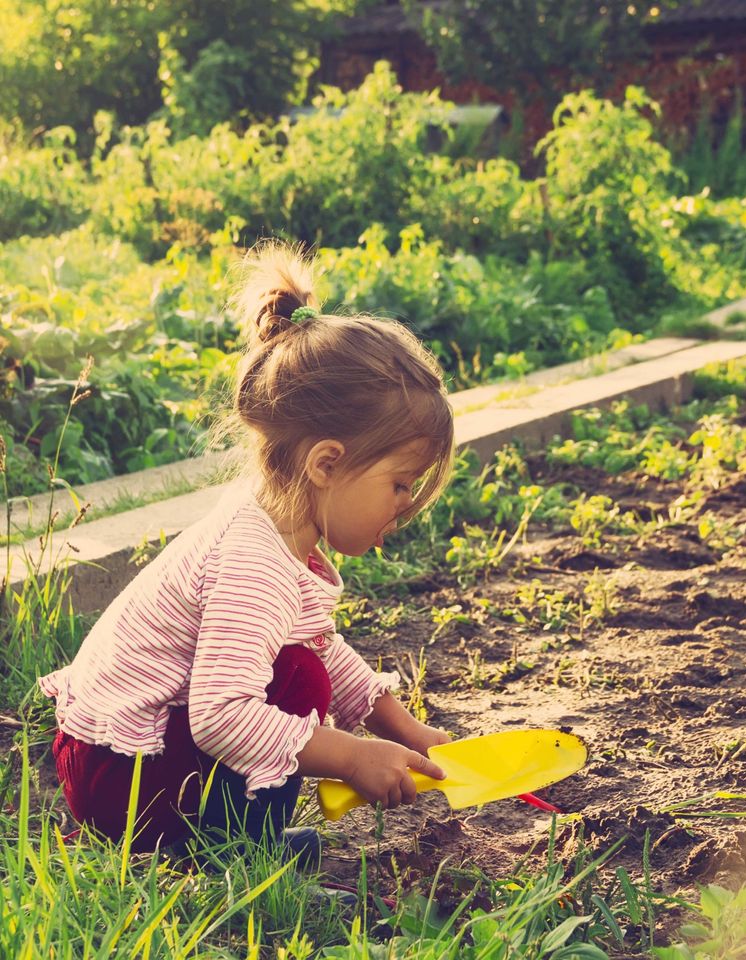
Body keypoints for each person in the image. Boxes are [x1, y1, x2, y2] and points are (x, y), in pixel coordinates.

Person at [40, 242, 454, 859]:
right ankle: (225, 849)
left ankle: (220, 833)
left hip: (123, 761)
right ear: (327, 463)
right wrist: (349, 755)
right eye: (400, 484)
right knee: (297, 680)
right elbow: (219, 714)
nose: (406, 505)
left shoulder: (277, 529)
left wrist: (402, 730)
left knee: (299, 664)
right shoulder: (253, 561)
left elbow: (318, 640)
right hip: (121, 775)